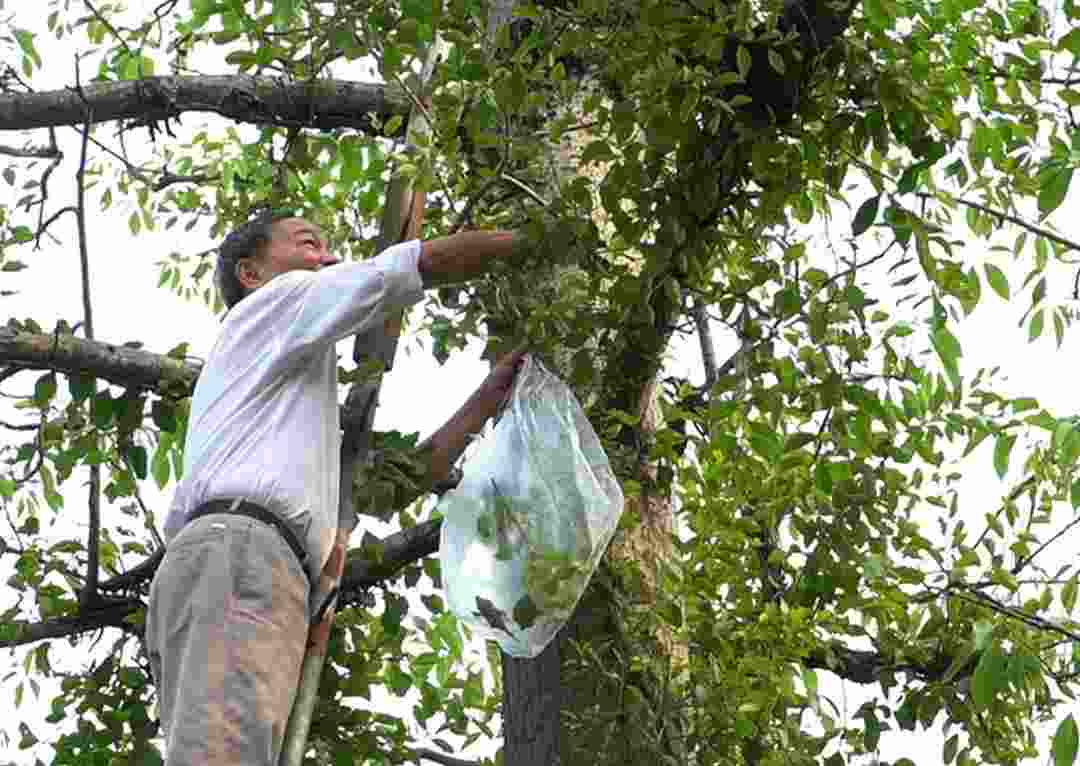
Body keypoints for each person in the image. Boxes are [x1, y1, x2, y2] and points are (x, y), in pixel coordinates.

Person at [145, 210, 530, 766]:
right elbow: (404, 268)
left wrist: (491, 395)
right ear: (250, 273)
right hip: (241, 559)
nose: (326, 259)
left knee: (231, 748)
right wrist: (529, 242)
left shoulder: (288, 403)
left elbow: (392, 485)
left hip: (242, 566)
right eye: (308, 244)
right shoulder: (273, 305)